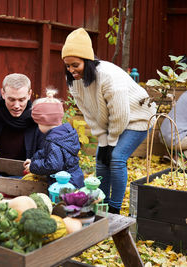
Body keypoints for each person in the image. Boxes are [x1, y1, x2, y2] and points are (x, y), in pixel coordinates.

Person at [61, 28, 156, 214]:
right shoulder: (75, 81)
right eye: (67, 66)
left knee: (116, 158)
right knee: (100, 159)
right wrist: (103, 142)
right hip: (116, 120)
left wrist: (111, 142)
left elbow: (120, 114)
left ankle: (114, 208)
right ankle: (101, 203)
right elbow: (89, 114)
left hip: (138, 117)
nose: (71, 70)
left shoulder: (108, 76)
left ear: (87, 61)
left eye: (75, 65)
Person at [23, 89, 84, 188]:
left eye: (38, 123)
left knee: (62, 203)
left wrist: (33, 167)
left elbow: (53, 165)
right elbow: (47, 152)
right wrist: (34, 160)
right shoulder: (65, 134)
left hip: (65, 185)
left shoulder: (53, 142)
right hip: (74, 178)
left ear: (44, 121)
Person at [0, 73, 44, 163]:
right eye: (11, 99)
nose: (16, 106)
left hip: (25, 175)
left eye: (21, 100)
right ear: (3, 94)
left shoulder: (38, 121)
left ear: (29, 94)